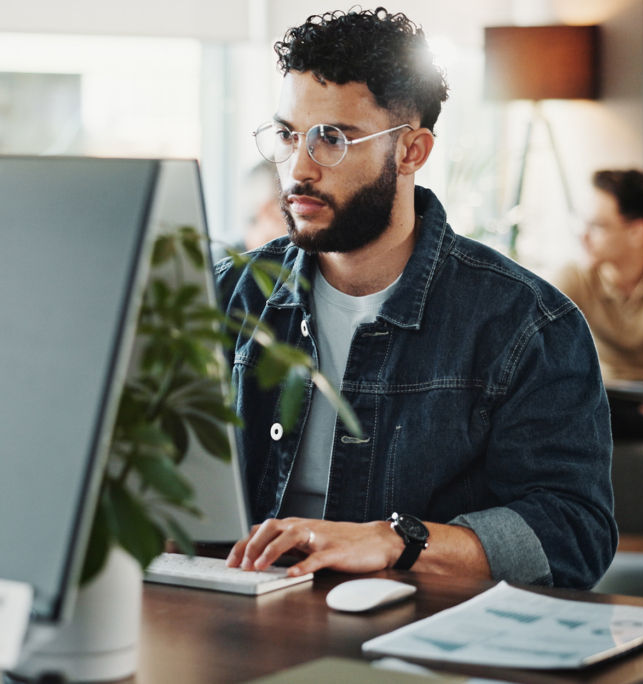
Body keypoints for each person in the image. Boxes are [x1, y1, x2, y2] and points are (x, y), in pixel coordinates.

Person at [216, 7, 616, 589]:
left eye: (332, 138)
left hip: (418, 640)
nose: (298, 168)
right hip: (235, 618)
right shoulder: (226, 295)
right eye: (287, 135)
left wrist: (395, 540)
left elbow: (573, 533)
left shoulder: (527, 324)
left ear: (411, 151)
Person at [555, 170, 643, 440]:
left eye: (598, 226)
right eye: (584, 223)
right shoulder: (576, 276)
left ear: (637, 231)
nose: (584, 236)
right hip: (603, 401)